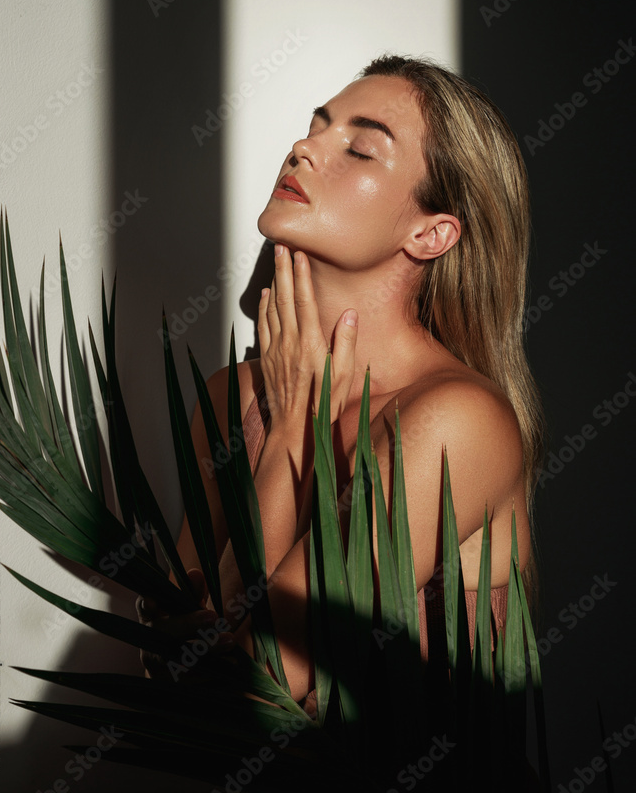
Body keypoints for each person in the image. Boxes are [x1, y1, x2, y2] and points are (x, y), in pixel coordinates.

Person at [140, 54, 544, 705]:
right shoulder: (233, 397)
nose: (301, 149)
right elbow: (170, 673)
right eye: (313, 127)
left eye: (358, 149)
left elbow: (262, 684)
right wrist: (282, 426)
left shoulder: (456, 419)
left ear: (430, 233)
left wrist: (293, 434)